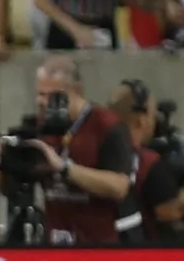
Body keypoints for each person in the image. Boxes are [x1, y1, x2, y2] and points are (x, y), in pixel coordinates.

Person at [17, 56, 138, 245]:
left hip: (98, 244)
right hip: (55, 241)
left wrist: (65, 168)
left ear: (76, 91)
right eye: (39, 94)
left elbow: (119, 186)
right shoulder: (40, 126)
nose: (42, 102)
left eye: (51, 96)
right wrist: (3, 165)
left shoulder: (107, 126)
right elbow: (13, 188)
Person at [108, 79, 184, 242]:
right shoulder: (147, 163)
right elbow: (170, 211)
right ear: (142, 120)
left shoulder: (97, 151)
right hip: (138, 251)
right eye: (153, 114)